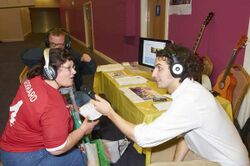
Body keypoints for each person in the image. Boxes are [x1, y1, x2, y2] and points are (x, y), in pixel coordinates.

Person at [93, 44, 249, 166]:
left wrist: (110, 112)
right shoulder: (190, 90)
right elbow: (187, 135)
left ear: (177, 70)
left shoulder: (190, 101)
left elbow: (142, 137)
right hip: (214, 156)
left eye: (159, 68)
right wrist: (175, 164)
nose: (153, 74)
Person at [0, 48, 98, 166]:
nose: (74, 72)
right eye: (69, 68)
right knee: (80, 156)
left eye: (74, 67)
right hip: (22, 159)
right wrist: (83, 130)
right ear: (51, 71)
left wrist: (64, 109)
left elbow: (41, 108)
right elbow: (57, 148)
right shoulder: (53, 105)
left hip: (7, 147)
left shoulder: (33, 80)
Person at [21, 27, 97, 91]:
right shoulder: (43, 53)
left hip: (71, 92)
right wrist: (48, 53)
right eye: (53, 44)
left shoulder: (72, 55)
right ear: (48, 43)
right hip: (48, 92)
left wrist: (89, 62)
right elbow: (24, 56)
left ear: (66, 44)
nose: (56, 47)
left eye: (60, 45)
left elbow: (90, 70)